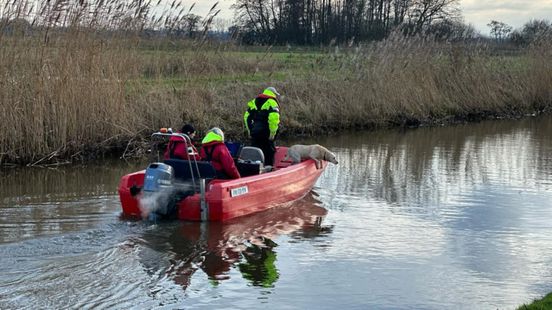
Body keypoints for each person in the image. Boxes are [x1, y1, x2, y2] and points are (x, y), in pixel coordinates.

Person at [243, 87, 281, 166]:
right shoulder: (272, 102)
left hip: (255, 132)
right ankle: (269, 171)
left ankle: (255, 171)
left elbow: (247, 117)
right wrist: (272, 134)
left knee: (255, 152)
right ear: (273, 94)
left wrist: (250, 130)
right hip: (266, 133)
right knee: (269, 152)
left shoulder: (254, 101)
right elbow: (274, 119)